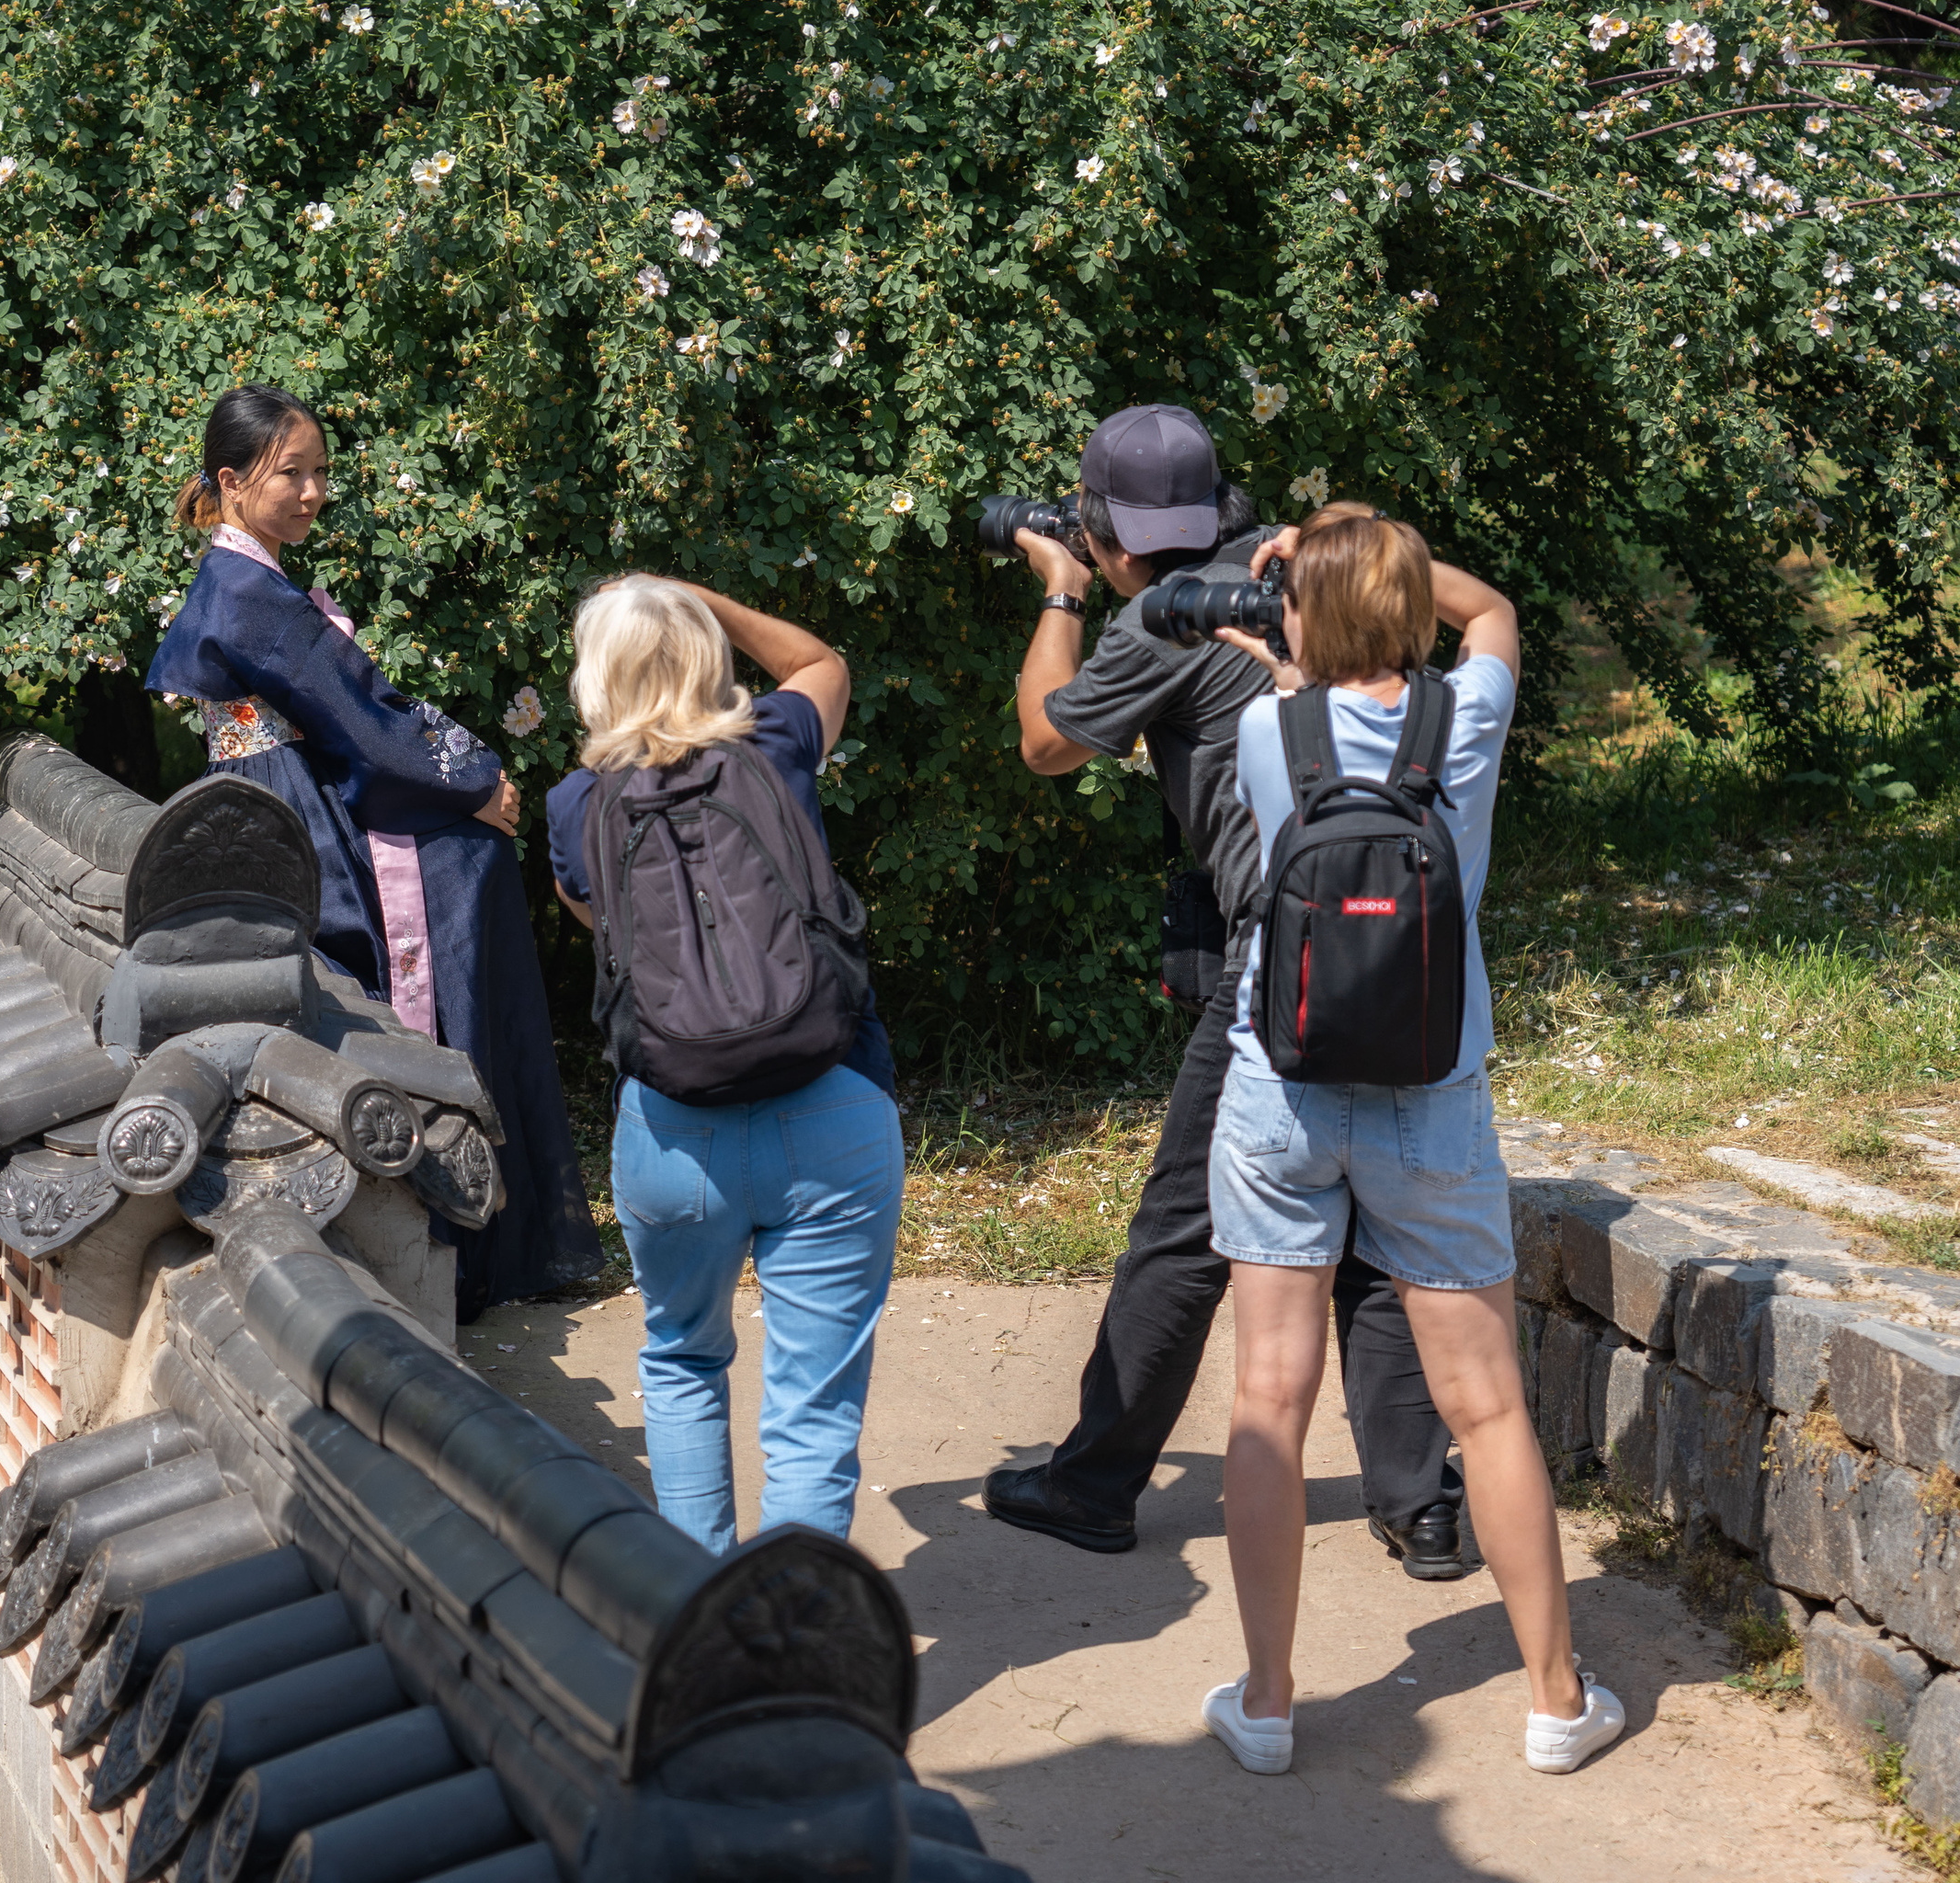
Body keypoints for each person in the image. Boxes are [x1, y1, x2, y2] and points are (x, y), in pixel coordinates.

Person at [983, 404, 1465, 1574]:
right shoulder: (1287, 577)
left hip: (1279, 953)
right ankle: (1422, 1503)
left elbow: (1047, 741)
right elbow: (1475, 620)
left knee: (1184, 1224)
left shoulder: (1164, 614)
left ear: (1097, 520)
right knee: (1377, 1219)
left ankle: (1093, 1481)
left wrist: (1058, 589)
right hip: (1406, 943)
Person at [1199, 501, 1624, 1777]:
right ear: (1412, 599)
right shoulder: (1471, 719)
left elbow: (1306, 696)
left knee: (1270, 1398)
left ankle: (1269, 1702)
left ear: (1300, 615)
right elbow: (1488, 614)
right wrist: (1369, 545)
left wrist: (1303, 565)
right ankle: (1556, 1700)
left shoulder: (1270, 729)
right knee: (1486, 1408)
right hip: (1431, 1094)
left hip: (1282, 1088)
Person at [146, 383, 601, 1318]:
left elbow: (355, 708)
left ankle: (473, 1230)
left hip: (279, 797)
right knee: (460, 885)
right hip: (298, 814)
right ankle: (463, 1233)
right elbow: (362, 714)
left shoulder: (244, 576)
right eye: (292, 474)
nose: (313, 492)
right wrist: (475, 779)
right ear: (233, 481)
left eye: (319, 473)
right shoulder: (248, 590)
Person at [544, 576, 901, 1554]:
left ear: (593, 677)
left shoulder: (575, 806)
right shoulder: (779, 747)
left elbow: (604, 928)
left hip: (672, 1128)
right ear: (708, 658)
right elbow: (819, 661)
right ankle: (793, 1644)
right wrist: (694, 594)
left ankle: (701, 1623)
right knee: (813, 1407)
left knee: (682, 1356)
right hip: (831, 1099)